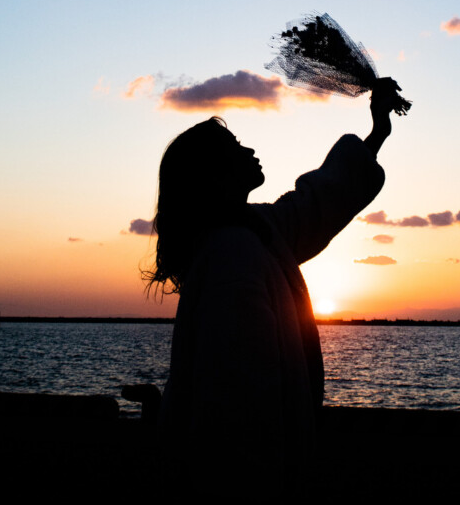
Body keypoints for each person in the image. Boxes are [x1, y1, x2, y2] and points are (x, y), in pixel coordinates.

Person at [148, 78, 400, 497]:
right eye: (234, 146)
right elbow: (239, 406)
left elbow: (319, 201)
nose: (248, 149)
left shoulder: (253, 231)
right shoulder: (232, 255)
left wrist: (376, 133)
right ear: (214, 175)